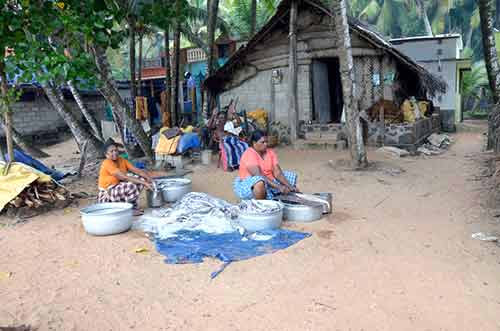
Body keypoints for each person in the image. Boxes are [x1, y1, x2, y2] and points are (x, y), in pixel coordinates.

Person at [98, 142, 161, 215]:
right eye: (111, 151)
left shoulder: (121, 160)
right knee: (131, 186)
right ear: (106, 154)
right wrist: (145, 183)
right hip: (108, 194)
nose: (115, 153)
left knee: (142, 178)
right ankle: (130, 209)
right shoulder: (107, 163)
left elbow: (136, 170)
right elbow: (124, 177)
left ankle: (127, 205)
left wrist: (150, 179)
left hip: (117, 188)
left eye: (116, 150)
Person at [233, 130, 298, 200]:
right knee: (259, 182)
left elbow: (277, 173)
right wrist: (278, 187)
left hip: (267, 180)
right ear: (254, 143)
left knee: (289, 176)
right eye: (262, 142)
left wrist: (290, 186)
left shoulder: (270, 152)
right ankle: (261, 205)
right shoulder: (249, 154)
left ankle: (278, 198)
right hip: (249, 183)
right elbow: (258, 175)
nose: (266, 144)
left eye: (266, 142)